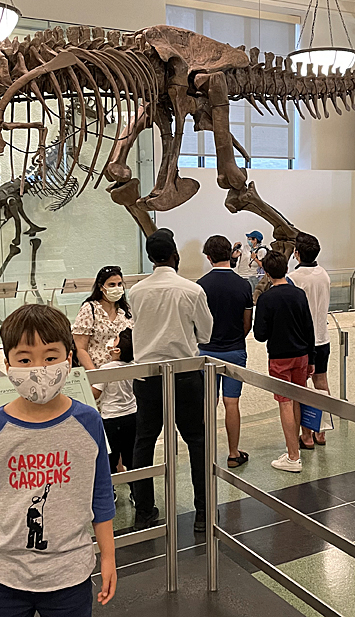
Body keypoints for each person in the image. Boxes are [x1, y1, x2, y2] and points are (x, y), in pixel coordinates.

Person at [0, 304, 115, 617]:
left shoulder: (88, 421)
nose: (39, 368)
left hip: (70, 574)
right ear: (8, 364)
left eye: (50, 357)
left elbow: (101, 494)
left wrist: (108, 557)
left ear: (68, 360)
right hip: (2, 576)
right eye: (25, 359)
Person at [128, 228, 214, 532]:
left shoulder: (135, 292)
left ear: (150, 258)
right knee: (196, 440)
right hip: (185, 375)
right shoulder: (191, 290)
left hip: (147, 377)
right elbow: (205, 334)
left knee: (144, 442)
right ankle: (203, 512)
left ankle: (144, 510)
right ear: (174, 254)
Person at [254, 251, 317, 473]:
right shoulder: (299, 294)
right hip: (301, 355)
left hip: (279, 357)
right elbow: (309, 328)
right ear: (286, 270)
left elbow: (259, 334)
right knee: (298, 398)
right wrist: (311, 358)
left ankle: (293, 456)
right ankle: (296, 449)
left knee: (285, 402)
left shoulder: (266, 298)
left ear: (267, 273)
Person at [197, 235, 254, 468]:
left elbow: (197, 323)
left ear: (209, 257)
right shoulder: (243, 285)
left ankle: (205, 452)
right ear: (230, 254)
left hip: (207, 351)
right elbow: (247, 323)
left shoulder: (200, 285)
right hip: (234, 351)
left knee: (207, 402)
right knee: (232, 403)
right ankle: (233, 453)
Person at [289, 233, 333, 447]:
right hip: (322, 338)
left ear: (296, 253)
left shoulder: (293, 278)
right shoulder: (324, 274)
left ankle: (306, 436)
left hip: (302, 341)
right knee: (322, 383)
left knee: (302, 387)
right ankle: (322, 432)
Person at [91, 329, 138, 502]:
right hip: (132, 416)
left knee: (109, 458)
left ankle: (110, 493)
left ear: (116, 350)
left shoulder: (106, 369)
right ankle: (136, 493)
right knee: (131, 457)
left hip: (111, 419)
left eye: (115, 339)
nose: (111, 341)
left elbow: (95, 393)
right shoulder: (134, 365)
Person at [72, 266, 133, 371]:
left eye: (119, 284)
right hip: (98, 370)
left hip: (123, 371)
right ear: (101, 287)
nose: (116, 288)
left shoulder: (125, 310)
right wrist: (95, 375)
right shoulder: (90, 309)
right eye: (111, 285)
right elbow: (80, 348)